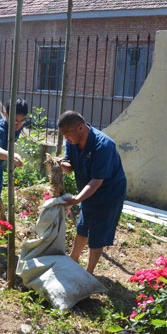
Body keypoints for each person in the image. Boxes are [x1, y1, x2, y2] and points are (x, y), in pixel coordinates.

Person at [59, 110, 127, 274]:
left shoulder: (103, 145)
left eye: (68, 134)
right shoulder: (72, 141)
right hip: (87, 190)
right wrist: (61, 165)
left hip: (108, 193)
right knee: (83, 226)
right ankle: (72, 260)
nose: (66, 139)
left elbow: (97, 181)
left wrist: (76, 199)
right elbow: (70, 166)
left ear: (80, 128)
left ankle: (89, 273)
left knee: (98, 233)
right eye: (64, 135)